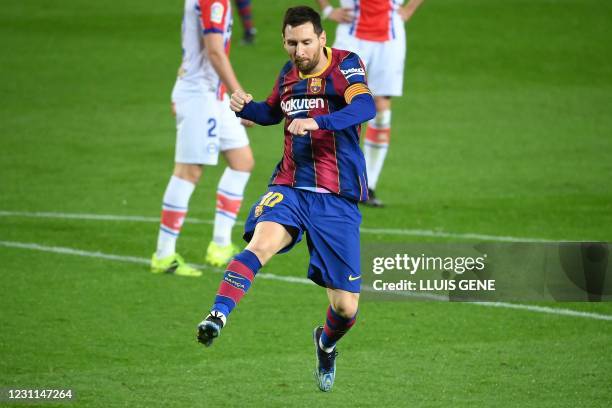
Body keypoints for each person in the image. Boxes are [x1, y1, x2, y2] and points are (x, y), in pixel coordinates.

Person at [196, 6, 376, 392]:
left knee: (345, 309)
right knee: (261, 243)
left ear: (322, 38)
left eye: (307, 42)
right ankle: (217, 315)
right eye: (292, 43)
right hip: (289, 187)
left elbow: (365, 107)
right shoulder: (287, 75)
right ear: (284, 41)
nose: (300, 51)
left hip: (336, 199)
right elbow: (272, 112)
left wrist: (319, 121)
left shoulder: (346, 66)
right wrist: (248, 109)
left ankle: (325, 344)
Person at [151, 0, 255, 277]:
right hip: (200, 95)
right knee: (189, 172)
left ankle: (220, 245)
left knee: (241, 161)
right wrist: (240, 96)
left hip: (212, 93)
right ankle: (163, 254)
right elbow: (214, 52)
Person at [317, 0, 425, 207]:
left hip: (390, 38)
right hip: (351, 37)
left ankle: (368, 185)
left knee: (381, 109)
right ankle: (328, 181)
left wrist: (410, 8)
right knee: (337, 103)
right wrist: (328, 9)